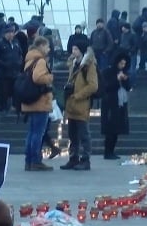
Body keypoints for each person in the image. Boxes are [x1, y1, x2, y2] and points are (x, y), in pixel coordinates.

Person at [60, 46, 98, 171]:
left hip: (81, 104)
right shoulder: (74, 63)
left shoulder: (88, 65)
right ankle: (73, 158)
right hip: (71, 104)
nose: (73, 52)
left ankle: (85, 160)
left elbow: (93, 85)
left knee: (84, 134)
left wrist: (78, 95)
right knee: (72, 134)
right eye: (73, 49)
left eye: (76, 49)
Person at [20, 35, 55, 172]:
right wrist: (50, 77)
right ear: (41, 46)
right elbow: (38, 77)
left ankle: (29, 160)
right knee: (37, 133)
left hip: (31, 101)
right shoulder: (40, 61)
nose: (49, 49)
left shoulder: (29, 59)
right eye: (47, 46)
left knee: (32, 132)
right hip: (40, 102)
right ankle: (35, 160)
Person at [99, 50, 132, 160]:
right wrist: (116, 80)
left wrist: (125, 79)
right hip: (110, 104)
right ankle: (107, 152)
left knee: (116, 130)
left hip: (120, 105)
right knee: (110, 130)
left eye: (124, 64)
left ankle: (112, 151)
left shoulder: (124, 73)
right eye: (121, 63)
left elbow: (128, 87)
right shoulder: (107, 72)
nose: (122, 66)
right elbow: (106, 87)